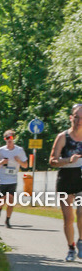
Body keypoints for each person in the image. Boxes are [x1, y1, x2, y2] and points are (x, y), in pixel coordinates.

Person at [49, 104, 82, 261]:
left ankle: (81, 242)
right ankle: (71, 247)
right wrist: (68, 160)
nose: (79, 121)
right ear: (71, 118)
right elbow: (52, 161)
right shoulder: (63, 137)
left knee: (81, 214)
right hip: (66, 180)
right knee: (68, 218)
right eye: (76, 117)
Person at [0, 130, 27, 228]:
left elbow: (25, 165)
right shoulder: (1, 151)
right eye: (7, 138)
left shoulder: (19, 150)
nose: (9, 140)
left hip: (13, 179)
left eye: (11, 138)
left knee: (11, 200)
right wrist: (1, 162)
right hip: (2, 180)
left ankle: (7, 220)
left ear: (14, 138)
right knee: (2, 200)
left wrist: (18, 160)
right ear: (5, 139)